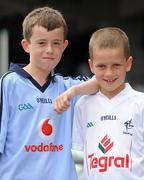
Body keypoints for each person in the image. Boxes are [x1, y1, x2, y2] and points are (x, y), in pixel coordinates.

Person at [0, 6, 99, 180]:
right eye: (41, 43)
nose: (49, 50)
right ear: (26, 45)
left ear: (64, 46)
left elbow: (104, 80)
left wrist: (73, 92)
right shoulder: (9, 84)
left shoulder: (68, 86)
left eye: (56, 43)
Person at [54, 27, 144, 179]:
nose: (109, 73)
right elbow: (80, 159)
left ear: (128, 63)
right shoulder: (82, 105)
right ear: (91, 66)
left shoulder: (140, 103)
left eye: (116, 65)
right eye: (101, 66)